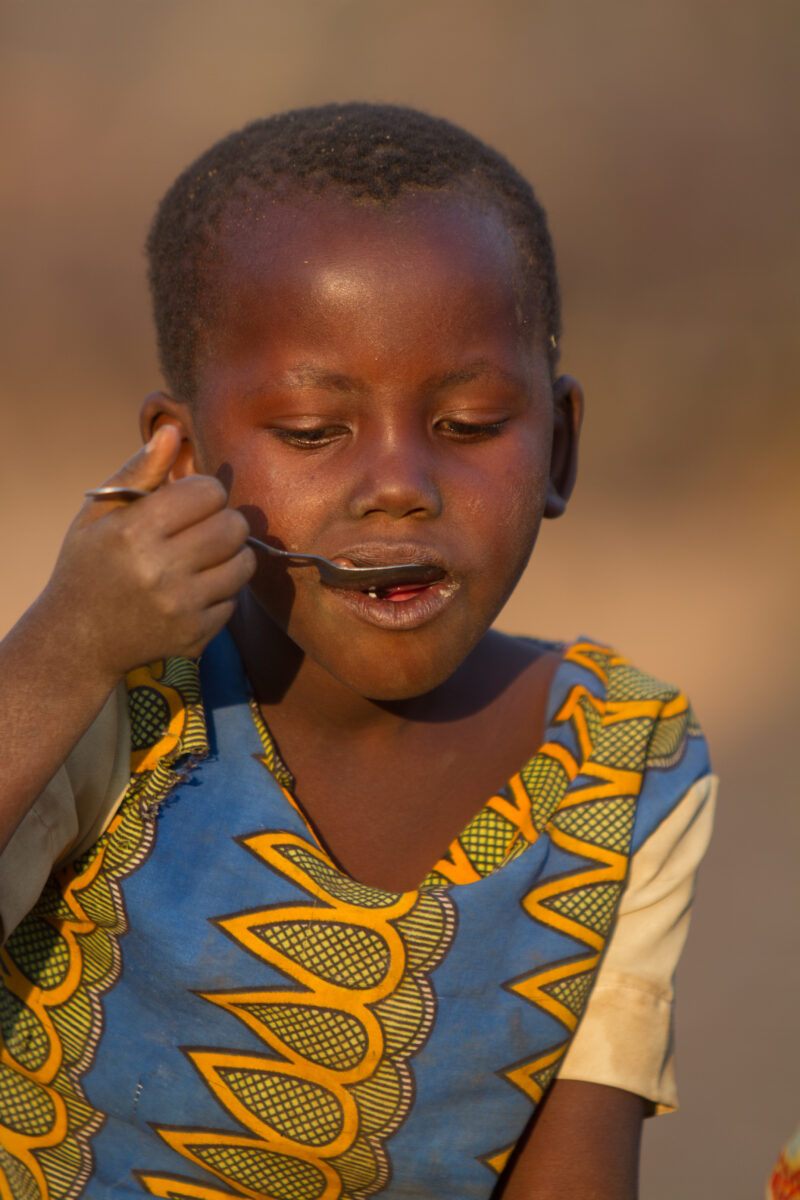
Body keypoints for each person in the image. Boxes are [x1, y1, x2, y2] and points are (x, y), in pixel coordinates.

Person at [0, 104, 715, 1200]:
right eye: (310, 432)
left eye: (469, 424)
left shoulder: (620, 770)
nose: (397, 484)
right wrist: (61, 647)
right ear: (179, 455)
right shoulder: (113, 699)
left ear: (560, 448)